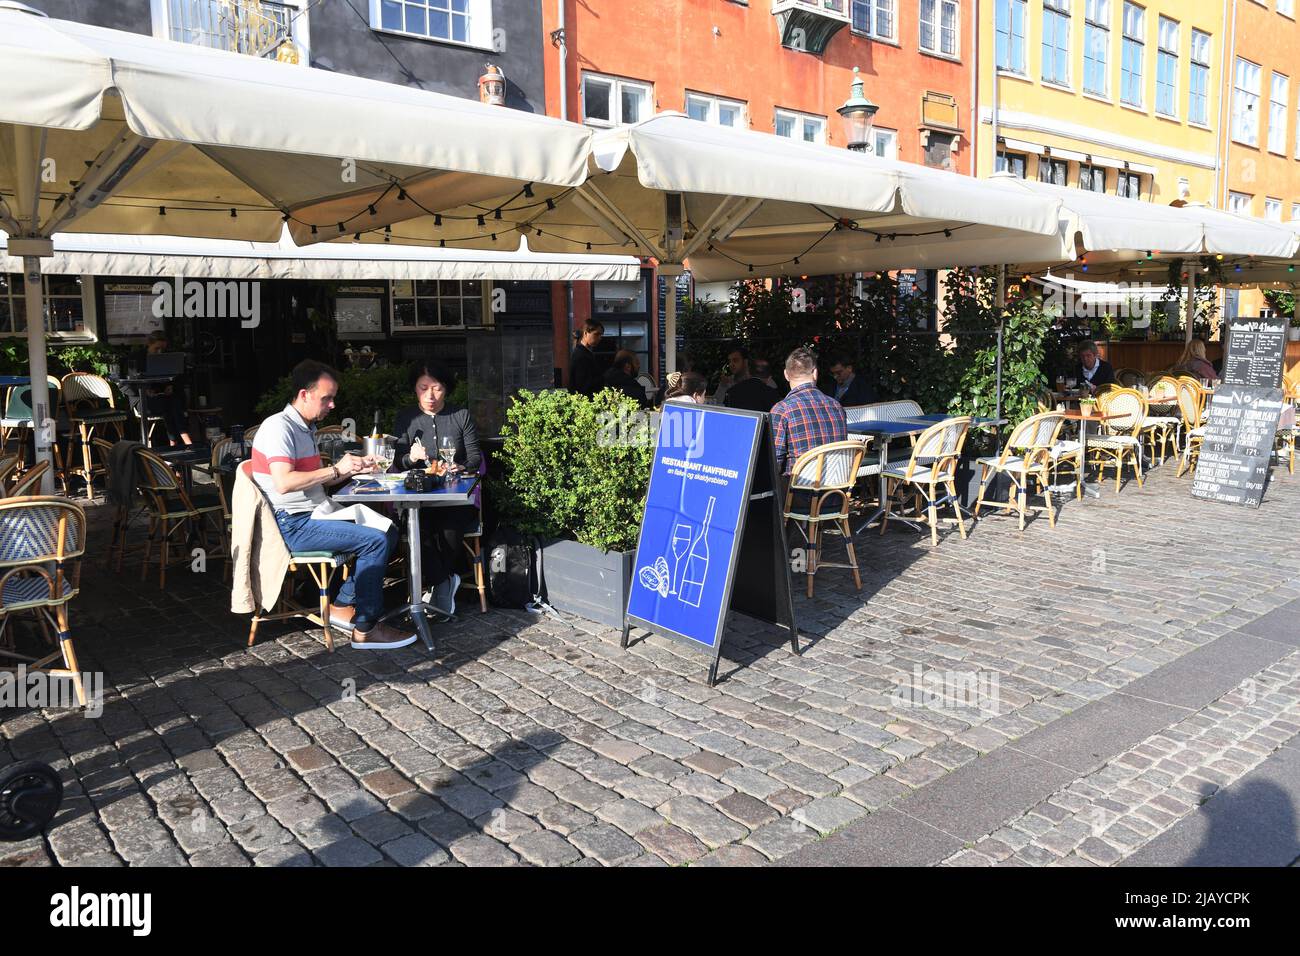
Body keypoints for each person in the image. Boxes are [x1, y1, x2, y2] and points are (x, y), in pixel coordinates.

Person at [251, 359, 412, 649]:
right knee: (374, 541)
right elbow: (284, 482)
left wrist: (352, 470)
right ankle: (366, 628)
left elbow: (313, 481)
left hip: (314, 513)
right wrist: (336, 470)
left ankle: (341, 606)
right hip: (293, 523)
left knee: (388, 530)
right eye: (327, 398)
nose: (332, 405)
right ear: (304, 395)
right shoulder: (278, 428)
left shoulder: (305, 428)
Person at [393, 362, 481, 617]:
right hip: (418, 496)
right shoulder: (407, 418)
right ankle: (444, 582)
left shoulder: (460, 415)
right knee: (416, 530)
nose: (430, 396)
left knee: (449, 527)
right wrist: (410, 458)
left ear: (446, 389)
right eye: (423, 389)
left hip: (454, 495)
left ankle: (438, 585)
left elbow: (475, 456)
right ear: (415, 389)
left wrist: (459, 466)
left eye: (437, 389)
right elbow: (397, 461)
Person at [770, 348, 847, 476]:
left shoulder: (782, 410)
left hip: (798, 492)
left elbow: (774, 462)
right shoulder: (836, 405)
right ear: (815, 373)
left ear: (786, 375)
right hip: (836, 490)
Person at [143, 332, 193, 447]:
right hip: (144, 398)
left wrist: (172, 386)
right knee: (173, 403)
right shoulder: (138, 358)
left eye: (163, 349)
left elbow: (180, 377)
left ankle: (174, 441)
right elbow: (126, 383)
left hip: (164, 396)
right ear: (148, 345)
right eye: (156, 348)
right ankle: (184, 438)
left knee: (172, 401)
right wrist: (144, 390)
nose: (159, 352)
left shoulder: (167, 358)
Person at [568, 320, 606, 397]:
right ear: (585, 333)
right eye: (596, 334)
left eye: (601, 335)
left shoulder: (584, 353)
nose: (600, 338)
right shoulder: (581, 355)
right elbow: (583, 385)